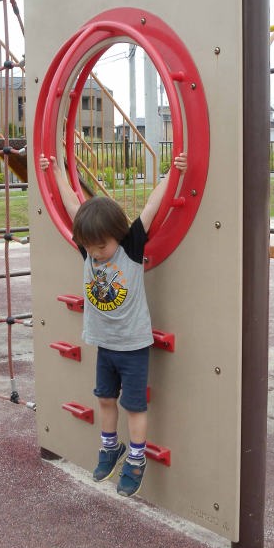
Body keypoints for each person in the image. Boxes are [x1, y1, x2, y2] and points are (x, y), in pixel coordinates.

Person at [39, 151, 187, 497]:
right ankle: (110, 448)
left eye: (101, 246)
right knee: (105, 399)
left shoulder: (130, 248)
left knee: (133, 405)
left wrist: (172, 174)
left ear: (117, 235)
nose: (95, 252)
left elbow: (152, 205)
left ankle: (135, 459)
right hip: (105, 345)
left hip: (132, 347)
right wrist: (57, 171)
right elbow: (73, 206)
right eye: (89, 246)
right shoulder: (89, 251)